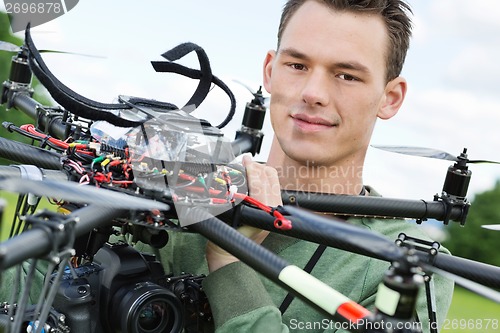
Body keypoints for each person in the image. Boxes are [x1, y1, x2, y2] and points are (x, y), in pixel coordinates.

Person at [139, 0, 454, 332]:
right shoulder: (183, 190)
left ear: (390, 98)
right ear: (270, 70)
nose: (313, 93)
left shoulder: (410, 266)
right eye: (297, 65)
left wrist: (230, 263)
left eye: (346, 75)